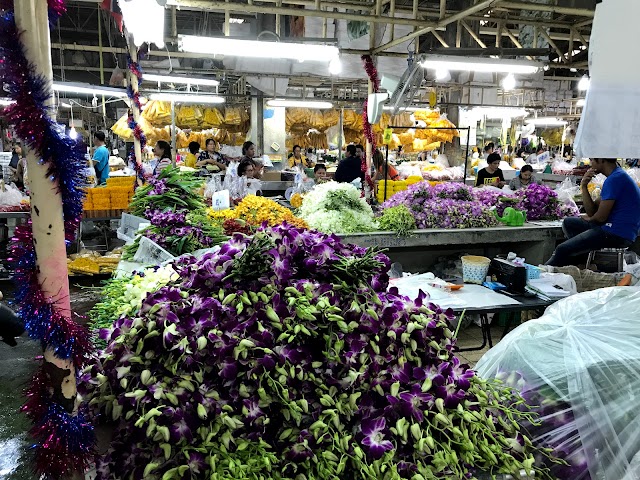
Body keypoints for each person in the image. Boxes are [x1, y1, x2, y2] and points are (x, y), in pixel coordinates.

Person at [546, 159, 640, 267]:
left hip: (615, 234)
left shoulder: (615, 179)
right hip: (617, 231)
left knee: (562, 249)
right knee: (570, 223)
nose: (591, 164)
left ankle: (543, 274)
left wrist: (590, 219)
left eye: (592, 160)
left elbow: (600, 218)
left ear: (601, 160)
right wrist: (584, 186)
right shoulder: (616, 176)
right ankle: (581, 260)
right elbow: (592, 211)